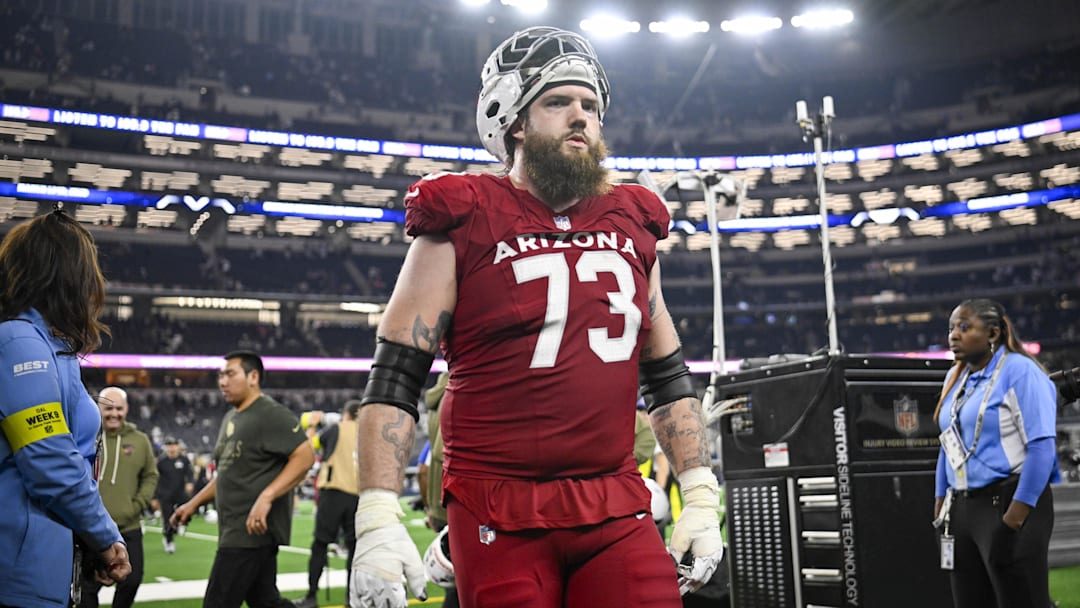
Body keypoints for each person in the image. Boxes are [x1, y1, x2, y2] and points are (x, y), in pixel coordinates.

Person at [349, 26, 722, 608]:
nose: (581, 116)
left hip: (614, 499)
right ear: (513, 120)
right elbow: (395, 379)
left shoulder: (632, 221)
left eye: (590, 105)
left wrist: (699, 491)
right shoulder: (463, 214)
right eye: (558, 101)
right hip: (498, 505)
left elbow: (666, 372)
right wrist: (376, 511)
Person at [0, 210, 131, 608]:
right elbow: (48, 460)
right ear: (68, 275)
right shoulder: (19, 343)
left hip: (45, 570)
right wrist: (104, 535)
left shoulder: (52, 349)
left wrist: (87, 543)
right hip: (18, 576)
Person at [933, 298, 1060, 608]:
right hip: (962, 508)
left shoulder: (1020, 371)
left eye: (964, 327)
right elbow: (948, 443)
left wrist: (1013, 520)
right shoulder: (955, 376)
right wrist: (940, 507)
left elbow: (1042, 448)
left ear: (992, 334)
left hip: (1008, 503)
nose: (954, 336)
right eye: (951, 328)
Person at [171, 350, 315, 608]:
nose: (222, 382)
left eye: (230, 374)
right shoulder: (231, 417)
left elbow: (305, 457)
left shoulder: (271, 413)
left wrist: (267, 496)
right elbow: (226, 474)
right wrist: (192, 504)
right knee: (265, 601)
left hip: (249, 532)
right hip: (235, 528)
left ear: (253, 377)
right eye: (220, 375)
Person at [80, 386, 159, 608]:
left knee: (132, 580)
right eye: (108, 408)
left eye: (119, 408)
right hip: (91, 529)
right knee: (87, 588)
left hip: (129, 526)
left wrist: (136, 506)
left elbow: (151, 475)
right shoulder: (85, 436)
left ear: (127, 409)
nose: (114, 413)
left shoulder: (140, 440)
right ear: (98, 408)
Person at [294, 401, 363, 608]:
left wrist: (312, 425)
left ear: (346, 414)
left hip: (333, 492)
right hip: (357, 496)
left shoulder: (336, 428)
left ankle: (311, 596)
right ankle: (351, 599)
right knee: (354, 549)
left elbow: (309, 446)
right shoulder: (367, 433)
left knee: (320, 544)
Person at [156, 435, 194, 553]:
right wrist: (155, 496)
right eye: (169, 445)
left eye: (174, 445)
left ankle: (181, 525)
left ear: (178, 446)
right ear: (166, 447)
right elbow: (156, 478)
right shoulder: (161, 462)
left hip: (180, 493)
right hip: (165, 494)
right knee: (167, 519)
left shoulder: (184, 459)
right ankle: (169, 540)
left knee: (187, 510)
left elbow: (190, 473)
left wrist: (190, 482)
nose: (172, 448)